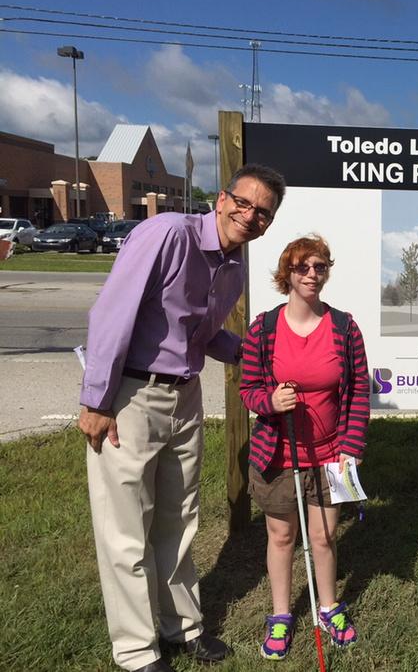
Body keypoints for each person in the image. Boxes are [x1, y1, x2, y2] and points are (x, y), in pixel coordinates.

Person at [78, 164, 286, 672]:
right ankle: (135, 650)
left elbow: (203, 335)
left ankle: (182, 627)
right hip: (129, 395)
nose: (251, 216)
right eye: (244, 203)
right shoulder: (167, 233)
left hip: (185, 396)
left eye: (263, 213)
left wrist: (260, 357)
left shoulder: (234, 268)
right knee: (127, 527)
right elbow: (113, 313)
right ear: (221, 199)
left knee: (179, 517)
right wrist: (97, 402)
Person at [239, 235, 369, 660]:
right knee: (281, 537)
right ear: (287, 274)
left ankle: (329, 607)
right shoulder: (264, 327)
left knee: (325, 535)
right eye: (302, 268)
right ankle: (281, 615)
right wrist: (270, 401)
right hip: (279, 456)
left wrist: (352, 447)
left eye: (320, 266)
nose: (312, 274)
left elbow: (358, 394)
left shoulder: (345, 327)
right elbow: (249, 388)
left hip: (331, 454)